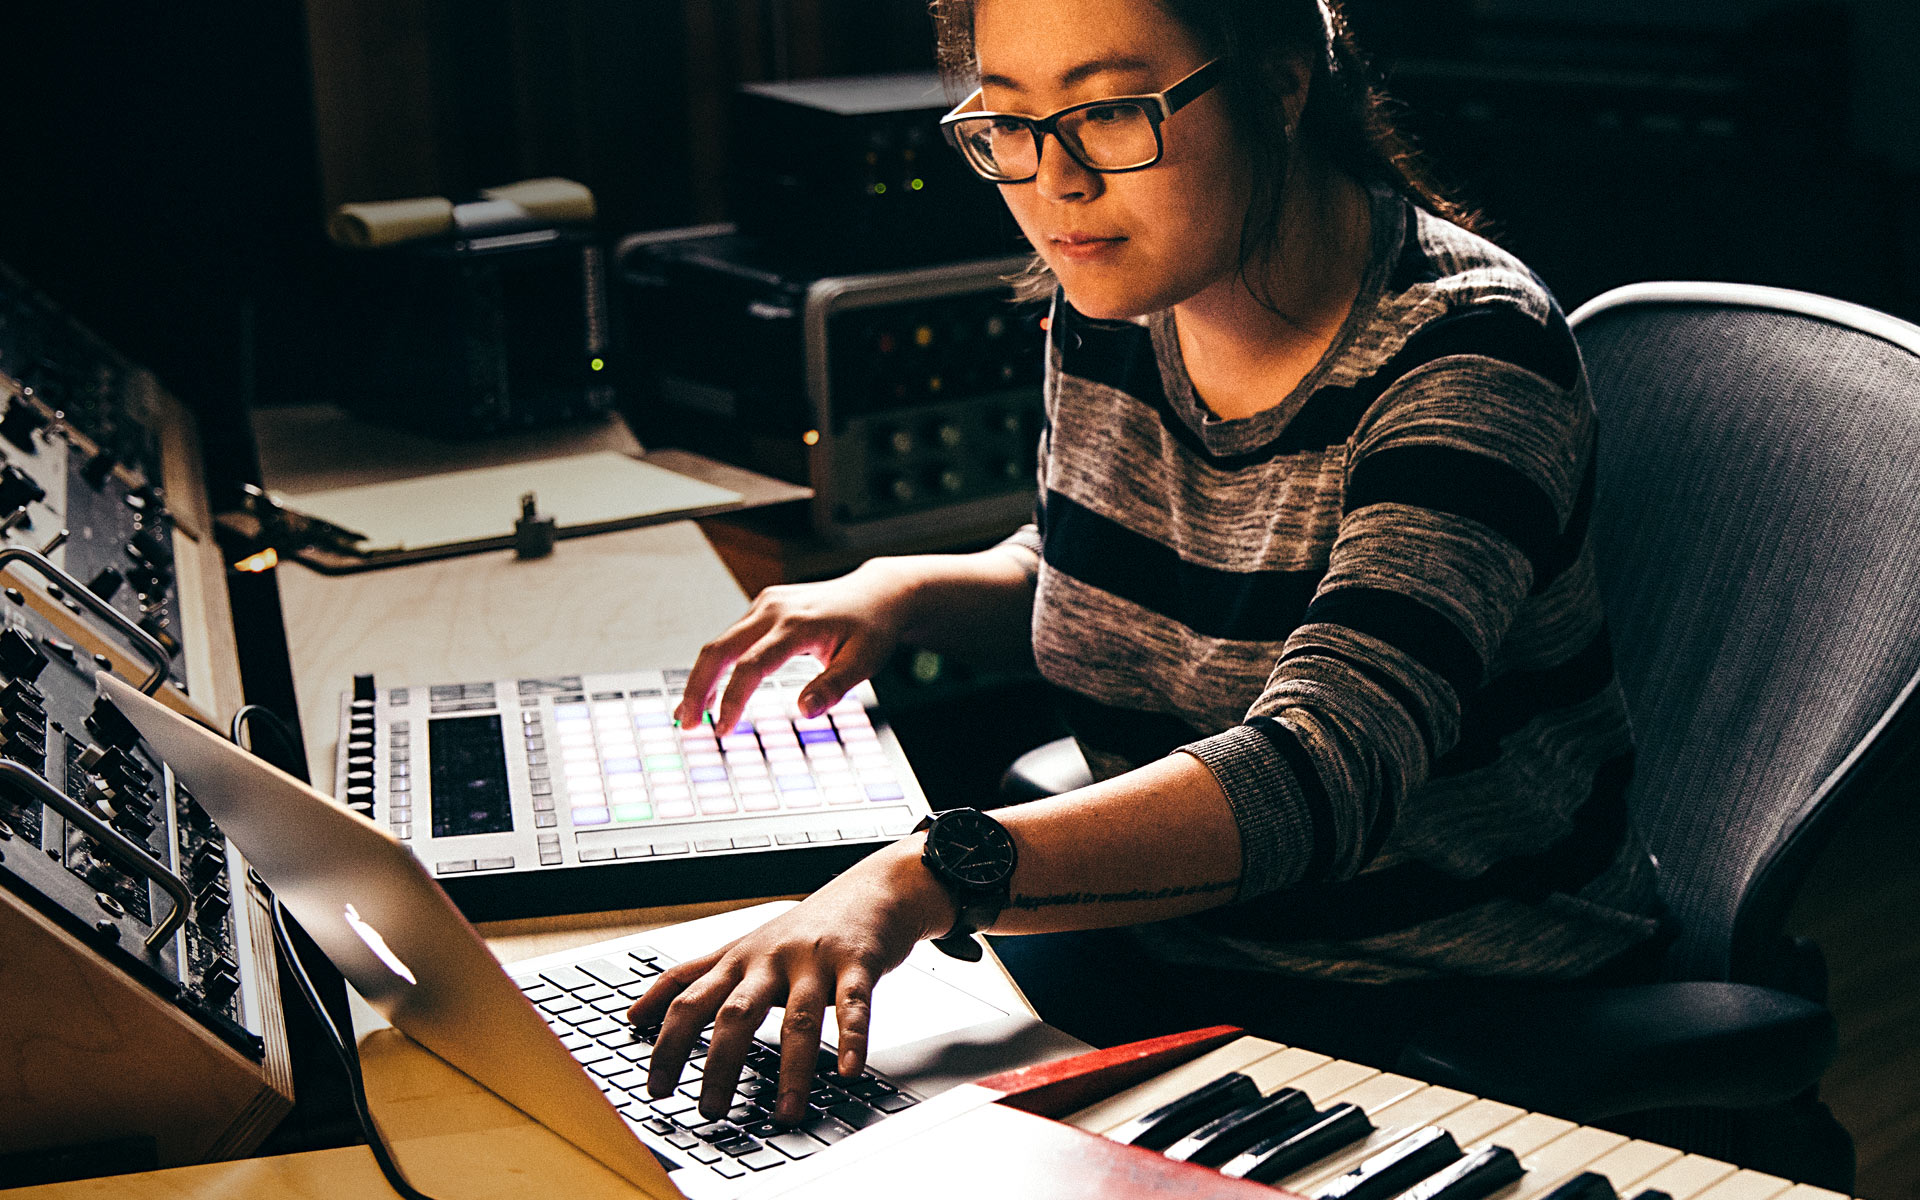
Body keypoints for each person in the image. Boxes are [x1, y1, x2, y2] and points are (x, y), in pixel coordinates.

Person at [630, 0, 1671, 1130]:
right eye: (1011, 122)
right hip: (1175, 957)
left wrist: (928, 875)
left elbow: (1324, 772)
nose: (1055, 182)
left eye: (1113, 112)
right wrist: (909, 591)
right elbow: (1125, 573)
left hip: (1449, 1006)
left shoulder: (1467, 352)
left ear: (1281, 86)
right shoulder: (1118, 297)